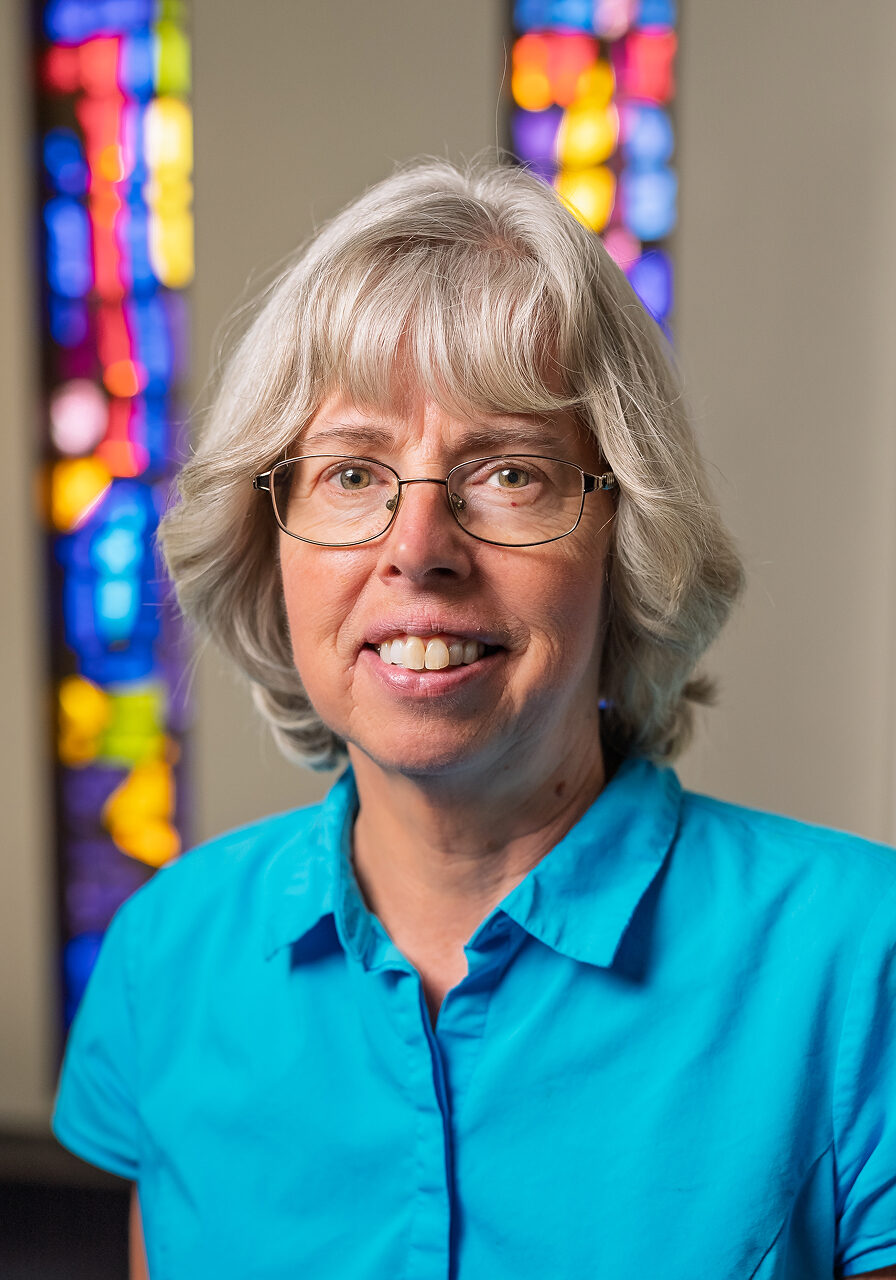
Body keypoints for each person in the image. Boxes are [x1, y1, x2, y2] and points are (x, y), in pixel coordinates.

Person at [52, 155, 896, 1280]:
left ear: (625, 538)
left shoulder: (858, 958)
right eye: (350, 474)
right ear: (269, 542)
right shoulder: (171, 948)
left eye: (508, 471)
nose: (417, 548)